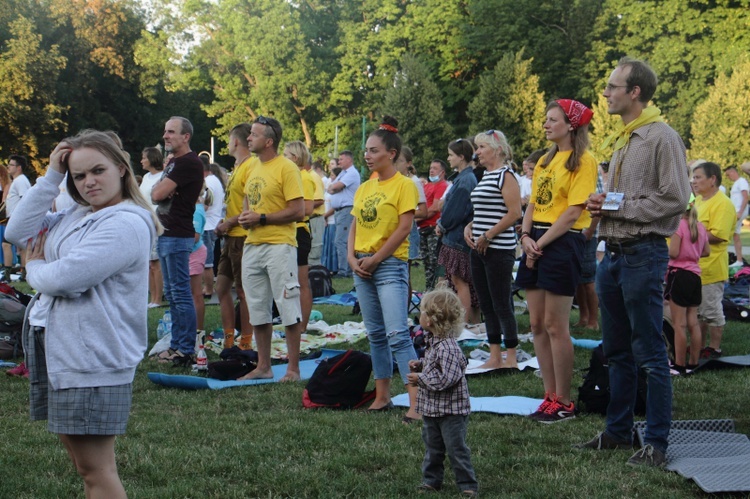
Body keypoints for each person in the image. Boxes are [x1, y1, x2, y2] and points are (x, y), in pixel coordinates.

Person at [6, 130, 160, 498]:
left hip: (93, 359)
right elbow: (15, 231)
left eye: (98, 170)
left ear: (122, 169)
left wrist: (34, 268)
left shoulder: (125, 222)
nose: (89, 182)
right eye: (79, 175)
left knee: (97, 471)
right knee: (85, 467)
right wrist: (51, 177)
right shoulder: (77, 214)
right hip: (66, 354)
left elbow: (65, 280)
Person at [579, 57, 690, 467]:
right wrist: (602, 204)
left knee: (651, 354)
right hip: (614, 257)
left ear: (635, 92)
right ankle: (618, 432)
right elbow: (623, 202)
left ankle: (656, 444)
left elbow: (675, 198)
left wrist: (617, 207)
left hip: (643, 254)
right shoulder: (626, 137)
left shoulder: (663, 137)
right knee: (616, 351)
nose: (606, 93)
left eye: (612, 86)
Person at [518, 100, 597, 423]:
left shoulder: (584, 161)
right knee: (536, 324)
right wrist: (525, 237)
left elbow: (573, 213)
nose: (546, 125)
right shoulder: (545, 161)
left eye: (552, 120)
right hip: (536, 239)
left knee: (555, 325)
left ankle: (564, 401)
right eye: (545, 119)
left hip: (562, 242)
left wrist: (539, 243)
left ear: (571, 125)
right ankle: (548, 396)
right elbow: (533, 205)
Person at [348, 116, 421, 421]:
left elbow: (404, 228)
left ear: (390, 154)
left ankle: (418, 402)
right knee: (375, 334)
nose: (367, 155)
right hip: (362, 265)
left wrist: (376, 259)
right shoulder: (365, 187)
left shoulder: (404, 185)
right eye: (366, 150)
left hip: (389, 265)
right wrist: (353, 260)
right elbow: (354, 226)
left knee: (398, 334)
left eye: (373, 150)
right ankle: (382, 396)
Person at [238, 116, 304, 382]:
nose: (248, 138)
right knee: (257, 308)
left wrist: (262, 218)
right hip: (252, 245)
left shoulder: (286, 168)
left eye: (253, 135)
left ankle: (293, 369)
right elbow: (247, 196)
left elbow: (298, 210)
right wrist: (244, 216)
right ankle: (263, 366)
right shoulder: (251, 166)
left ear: (269, 141)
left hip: (279, 245)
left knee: (287, 306)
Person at [406, 288, 478, 497]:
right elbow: (435, 367)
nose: (420, 315)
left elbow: (447, 378)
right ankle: (431, 480)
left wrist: (421, 379)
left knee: (456, 449)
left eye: (423, 312)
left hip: (451, 412)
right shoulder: (433, 342)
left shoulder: (448, 348)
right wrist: (420, 366)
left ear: (430, 320)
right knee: (433, 448)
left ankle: (467, 484)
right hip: (432, 409)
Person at [464, 130, 522, 372]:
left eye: (481, 147)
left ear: (496, 149)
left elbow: (514, 213)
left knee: (501, 303)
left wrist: (488, 235)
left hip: (498, 249)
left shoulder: (505, 176)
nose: (477, 152)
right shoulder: (485, 176)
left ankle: (511, 355)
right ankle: (495, 354)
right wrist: (470, 226)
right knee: (486, 303)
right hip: (479, 249)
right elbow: (484, 211)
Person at [152, 117, 205, 366]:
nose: (165, 136)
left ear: (186, 137)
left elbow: (157, 194)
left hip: (176, 234)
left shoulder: (188, 163)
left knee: (180, 294)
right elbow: (159, 193)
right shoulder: (175, 163)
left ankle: (185, 349)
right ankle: (177, 345)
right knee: (173, 294)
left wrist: (163, 187)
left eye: (171, 132)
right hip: (168, 232)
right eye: (165, 131)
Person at [214, 123, 255, 350]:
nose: (228, 144)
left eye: (229, 140)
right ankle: (229, 339)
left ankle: (246, 343)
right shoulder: (237, 167)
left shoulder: (251, 166)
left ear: (236, 141)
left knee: (242, 291)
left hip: (242, 237)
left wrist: (229, 222)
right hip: (230, 237)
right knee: (221, 288)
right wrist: (225, 222)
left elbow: (253, 206)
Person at [691, 162, 736, 359]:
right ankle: (700, 346)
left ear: (713, 179)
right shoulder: (699, 201)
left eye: (698, 177)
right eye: (693, 177)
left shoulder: (723, 204)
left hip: (712, 267)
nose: (694, 181)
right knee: (699, 310)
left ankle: (714, 348)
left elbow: (719, 235)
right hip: (695, 266)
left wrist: (690, 233)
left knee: (711, 310)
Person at [665, 197, 710, 374]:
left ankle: (679, 365)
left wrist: (664, 249)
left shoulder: (679, 226)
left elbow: (674, 252)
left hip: (679, 275)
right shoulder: (700, 226)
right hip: (695, 276)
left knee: (679, 325)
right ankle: (693, 363)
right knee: (693, 322)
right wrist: (693, 253)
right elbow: (706, 251)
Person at [437, 138, 480, 324]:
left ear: (461, 157)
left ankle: (464, 324)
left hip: (457, 239)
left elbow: (455, 212)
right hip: (458, 237)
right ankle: (472, 322)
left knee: (460, 282)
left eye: (451, 155)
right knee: (464, 283)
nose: (448, 158)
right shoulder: (465, 178)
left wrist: (441, 224)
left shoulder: (465, 180)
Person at [283, 140, 316, 332]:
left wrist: (287, 211)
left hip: (299, 231)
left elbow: (309, 207)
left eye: (286, 155)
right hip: (291, 230)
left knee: (301, 281)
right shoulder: (294, 175)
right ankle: (294, 320)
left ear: (295, 158)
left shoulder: (304, 177)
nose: (282, 158)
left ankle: (302, 325)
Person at [327, 150, 360, 277]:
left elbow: (334, 187)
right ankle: (343, 269)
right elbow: (332, 188)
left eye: (341, 159)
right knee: (340, 240)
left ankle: (345, 270)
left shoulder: (351, 173)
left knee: (342, 241)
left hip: (347, 210)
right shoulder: (343, 173)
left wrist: (334, 188)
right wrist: (333, 188)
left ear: (349, 160)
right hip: (340, 211)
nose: (339, 162)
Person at [139, 147, 165, 308]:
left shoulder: (162, 176)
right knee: (148, 263)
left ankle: (158, 298)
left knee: (156, 263)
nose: (141, 160)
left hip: (157, 221)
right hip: (145, 221)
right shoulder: (145, 177)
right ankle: (151, 298)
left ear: (152, 159)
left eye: (144, 158)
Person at [419, 159, 450, 290]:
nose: (431, 170)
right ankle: (429, 289)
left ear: (442, 172)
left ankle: (437, 290)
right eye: (431, 168)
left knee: (435, 261)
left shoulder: (442, 186)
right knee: (426, 262)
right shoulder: (427, 186)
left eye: (435, 168)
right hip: (423, 228)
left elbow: (434, 208)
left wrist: (417, 217)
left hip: (433, 228)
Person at [394, 146, 427, 261]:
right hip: (393, 228)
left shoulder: (414, 181)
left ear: (408, 163)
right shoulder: (394, 180)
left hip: (407, 229)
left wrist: (401, 212)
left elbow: (423, 212)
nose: (396, 164)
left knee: (404, 268)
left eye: (400, 161)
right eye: (394, 160)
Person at [3, 155, 32, 281]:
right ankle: (25, 275)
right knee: (23, 247)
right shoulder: (19, 180)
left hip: (17, 219)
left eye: (11, 165)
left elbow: (25, 200)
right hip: (16, 218)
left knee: (5, 245)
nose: (8, 167)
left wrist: (20, 218)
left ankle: (7, 274)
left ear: (19, 168)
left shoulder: (20, 181)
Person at [201, 161, 226, 299]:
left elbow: (205, 204)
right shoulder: (215, 180)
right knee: (208, 260)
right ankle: (208, 287)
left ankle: (209, 289)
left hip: (207, 225)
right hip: (213, 222)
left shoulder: (208, 182)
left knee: (206, 262)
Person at [189, 187, 208, 336]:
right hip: (190, 253)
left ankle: (198, 330)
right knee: (189, 293)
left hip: (194, 253)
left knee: (196, 293)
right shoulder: (194, 207)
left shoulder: (196, 210)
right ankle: (191, 328)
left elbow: (194, 236)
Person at [724, 166, 748, 266]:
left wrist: (740, 212)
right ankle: (739, 260)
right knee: (735, 235)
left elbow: (745, 197)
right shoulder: (736, 183)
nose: (728, 177)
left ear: (733, 172)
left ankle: (725, 257)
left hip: (738, 212)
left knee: (726, 233)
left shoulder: (741, 181)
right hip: (736, 212)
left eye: (728, 175)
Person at [308, 159, 327, 267]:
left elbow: (319, 200)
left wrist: (301, 207)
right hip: (308, 220)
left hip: (314, 219)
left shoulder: (313, 176)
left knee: (313, 255)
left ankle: (315, 280)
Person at [321, 168, 340, 272]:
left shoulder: (337, 190)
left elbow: (334, 207)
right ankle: (327, 266)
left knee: (333, 245)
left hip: (332, 221)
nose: (331, 178)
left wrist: (324, 216)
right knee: (327, 244)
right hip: (327, 221)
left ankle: (334, 267)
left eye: (333, 175)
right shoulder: (329, 188)